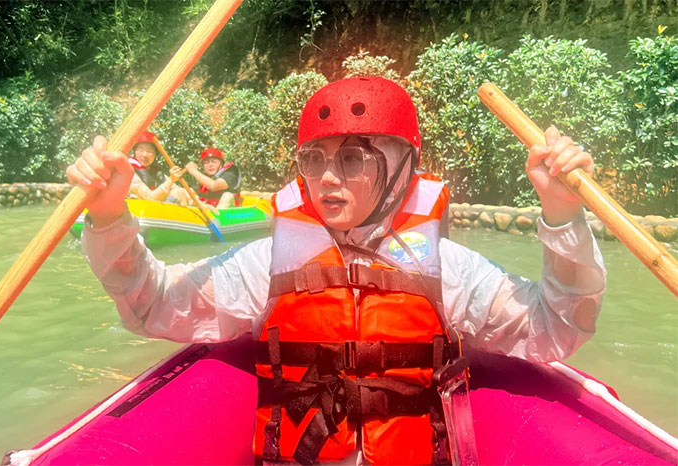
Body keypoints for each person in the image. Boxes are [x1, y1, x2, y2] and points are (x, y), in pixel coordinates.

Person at [66, 77, 606, 465]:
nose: (326, 179)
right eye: (314, 159)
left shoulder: (449, 269)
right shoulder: (266, 264)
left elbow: (554, 329)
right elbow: (153, 304)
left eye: (351, 159)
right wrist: (109, 215)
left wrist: (561, 212)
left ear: (402, 166)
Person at [126, 131, 190, 204]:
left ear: (155, 155)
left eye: (150, 151)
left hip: (150, 209)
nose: (145, 155)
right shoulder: (129, 173)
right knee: (178, 193)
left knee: (180, 192)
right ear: (134, 152)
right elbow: (151, 198)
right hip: (136, 209)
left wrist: (196, 199)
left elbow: (178, 189)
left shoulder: (155, 172)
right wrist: (171, 180)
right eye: (141, 150)